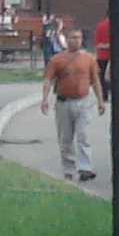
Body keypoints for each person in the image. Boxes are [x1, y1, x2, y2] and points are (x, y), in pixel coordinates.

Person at [41, 32, 101, 180]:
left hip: (83, 101)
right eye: (72, 37)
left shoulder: (88, 59)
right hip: (64, 102)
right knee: (66, 138)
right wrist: (45, 98)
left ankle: (85, 168)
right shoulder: (57, 60)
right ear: (66, 40)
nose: (76, 40)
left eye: (79, 38)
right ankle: (68, 168)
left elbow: (95, 80)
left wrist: (100, 100)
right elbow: (48, 79)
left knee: (83, 135)